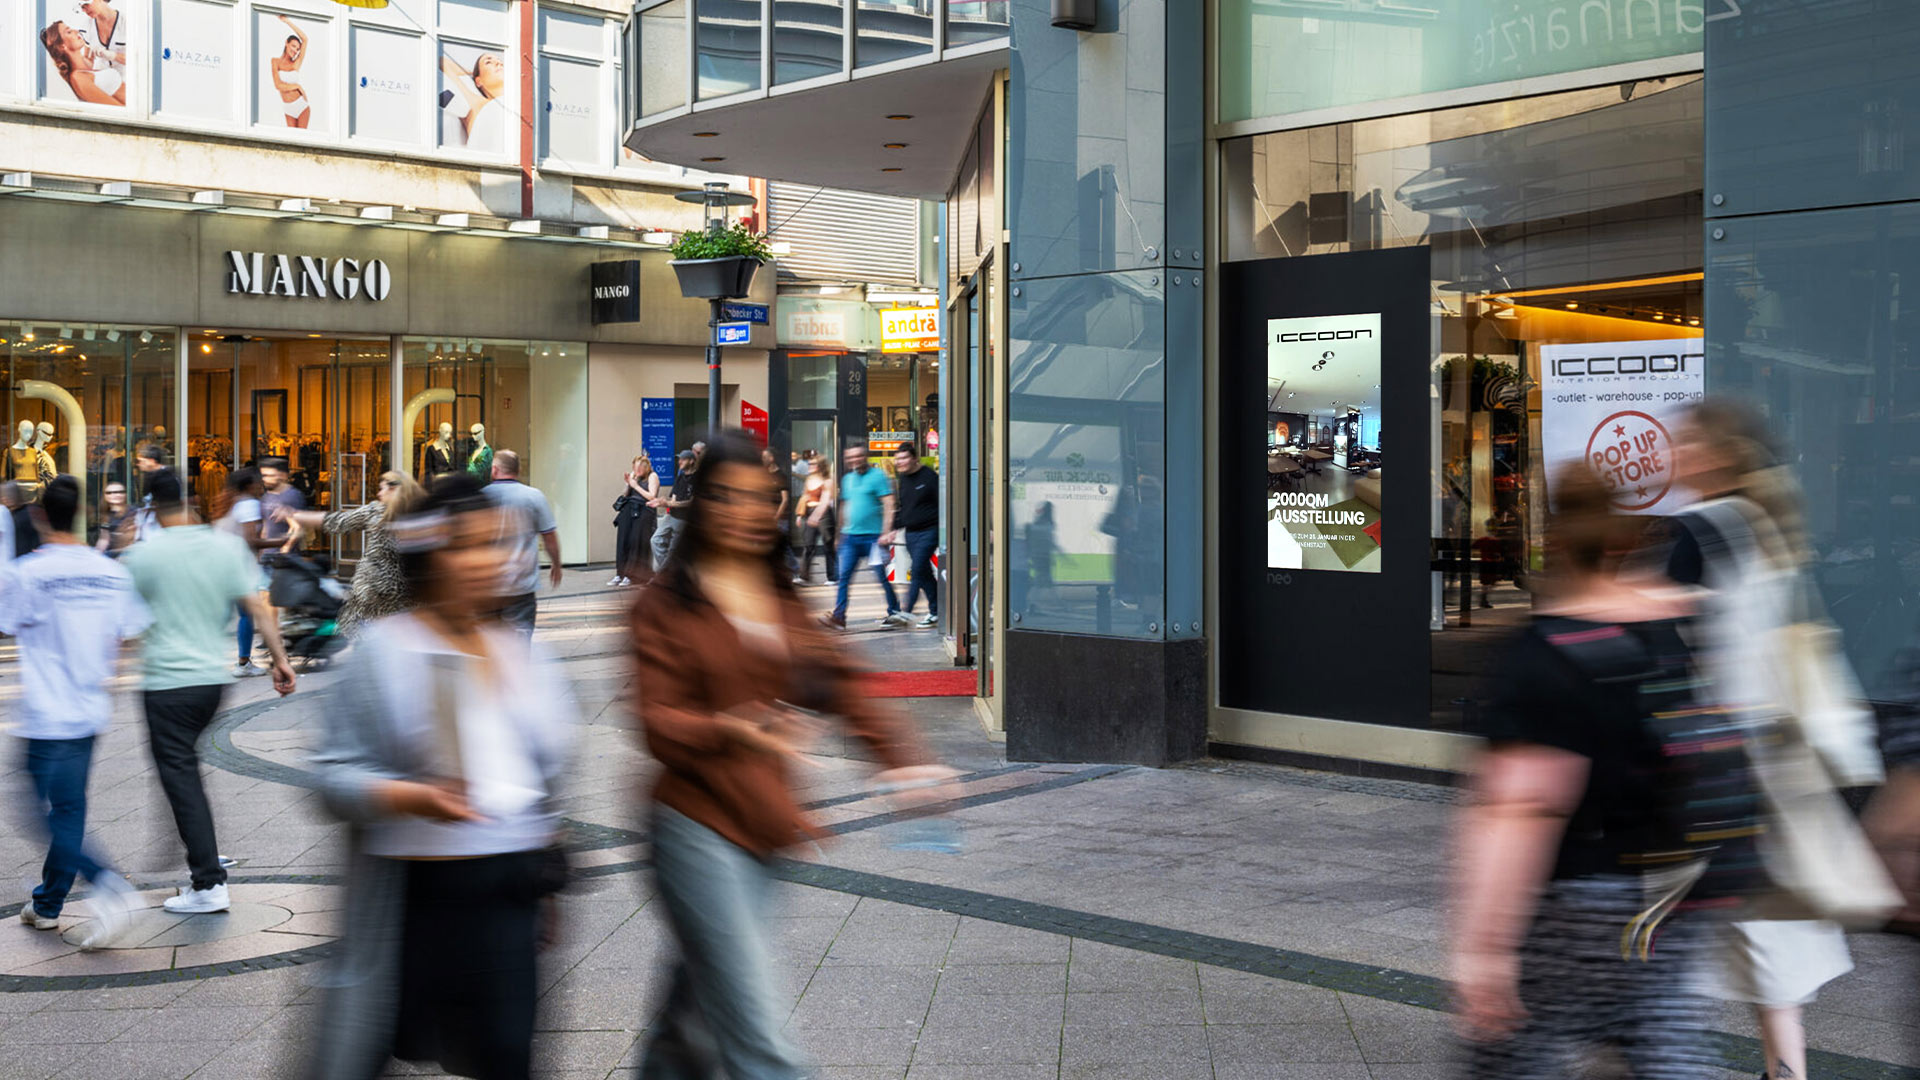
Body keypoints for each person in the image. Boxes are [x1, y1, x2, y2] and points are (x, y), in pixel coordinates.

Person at [631, 432, 951, 1079]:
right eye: (725, 497)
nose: (744, 512)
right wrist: (730, 729)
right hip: (694, 828)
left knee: (695, 1018)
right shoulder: (662, 605)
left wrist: (899, 756)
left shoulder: (776, 597)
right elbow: (657, 724)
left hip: (762, 829)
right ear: (700, 502)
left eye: (758, 499)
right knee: (761, 1041)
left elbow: (836, 678)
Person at [1639, 399, 1882, 1080]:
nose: (1671, 453)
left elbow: (1649, 644)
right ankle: (1787, 1071)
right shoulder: (1769, 528)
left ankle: (1648, 1053)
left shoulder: (1696, 531)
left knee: (1650, 925)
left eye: (1684, 443)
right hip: (1768, 766)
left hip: (1706, 768)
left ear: (1717, 454)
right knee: (1769, 936)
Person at [307, 472, 577, 1080]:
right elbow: (329, 777)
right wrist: (409, 796)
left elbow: (549, 776)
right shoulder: (382, 652)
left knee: (508, 1056)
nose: (489, 561)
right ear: (431, 555)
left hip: (508, 898)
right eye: (467, 546)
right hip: (416, 900)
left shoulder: (522, 652)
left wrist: (549, 871)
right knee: (369, 1048)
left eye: (495, 543)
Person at [1452, 466, 1720, 1077]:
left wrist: (1486, 951)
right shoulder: (1674, 625)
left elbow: (1523, 807)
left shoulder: (1544, 652)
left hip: (1578, 903)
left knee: (1515, 1058)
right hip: (1673, 894)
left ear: (1554, 540)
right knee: (1663, 1046)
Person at [121, 467, 296, 915]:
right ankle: (192, 856)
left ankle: (208, 881)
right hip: (211, 683)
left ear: (152, 508)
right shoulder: (224, 547)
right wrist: (280, 660)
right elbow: (257, 606)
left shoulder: (145, 554)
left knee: (179, 776)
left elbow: (126, 627)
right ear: (189, 499)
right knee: (182, 774)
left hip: (166, 683)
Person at [0, 476, 148, 946]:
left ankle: (108, 882)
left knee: (38, 811)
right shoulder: (109, 571)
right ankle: (47, 903)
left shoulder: (25, 572)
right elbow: (130, 633)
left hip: (46, 712)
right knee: (68, 809)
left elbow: (6, 625)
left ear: (40, 516)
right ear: (81, 514)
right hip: (89, 708)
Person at [277, 470, 425, 635]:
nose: (378, 493)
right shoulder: (420, 517)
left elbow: (337, 521)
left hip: (373, 595)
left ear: (394, 489)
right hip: (405, 600)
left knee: (366, 643)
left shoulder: (377, 512)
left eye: (382, 488)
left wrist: (295, 514)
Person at [812, 442, 904, 630]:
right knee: (844, 577)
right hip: (850, 538)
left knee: (881, 577)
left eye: (858, 456)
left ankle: (895, 612)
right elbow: (844, 507)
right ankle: (839, 617)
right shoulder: (847, 479)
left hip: (873, 538)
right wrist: (839, 535)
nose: (854, 460)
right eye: (851, 457)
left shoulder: (878, 476)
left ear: (865, 456)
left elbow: (888, 504)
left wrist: (886, 532)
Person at [484, 450, 561, 635]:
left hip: (488, 586)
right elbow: (549, 535)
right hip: (521, 586)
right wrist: (556, 564)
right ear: (518, 470)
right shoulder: (534, 496)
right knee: (518, 647)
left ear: (494, 470)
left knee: (488, 646)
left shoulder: (481, 497)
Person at [211, 467, 272, 678]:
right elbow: (251, 540)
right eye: (257, 482)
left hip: (220, 564)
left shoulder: (228, 502)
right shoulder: (249, 504)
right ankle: (243, 662)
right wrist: (284, 540)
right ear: (249, 485)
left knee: (223, 614)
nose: (260, 485)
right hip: (238, 566)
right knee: (247, 614)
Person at [891, 445, 939, 628]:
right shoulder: (903, 479)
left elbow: (942, 503)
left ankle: (906, 611)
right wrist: (894, 528)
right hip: (911, 533)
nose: (899, 463)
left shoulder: (929, 477)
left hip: (930, 530)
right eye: (897, 459)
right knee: (924, 573)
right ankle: (937, 610)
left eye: (903, 458)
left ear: (914, 459)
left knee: (917, 568)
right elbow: (905, 507)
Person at [39, 21, 123, 105]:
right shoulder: (78, 78)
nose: (76, 31)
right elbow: (115, 109)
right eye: (69, 32)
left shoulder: (85, 69)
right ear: (62, 46)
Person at [611, 454, 659, 588]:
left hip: (643, 511)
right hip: (628, 510)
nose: (636, 470)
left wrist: (636, 486)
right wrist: (628, 484)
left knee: (635, 542)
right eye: (634, 467)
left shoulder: (652, 476)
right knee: (623, 541)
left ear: (645, 467)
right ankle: (620, 573)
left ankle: (631, 575)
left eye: (639, 468)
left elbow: (652, 496)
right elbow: (625, 495)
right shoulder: (634, 476)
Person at [440, 51, 505, 148]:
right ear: (478, 81)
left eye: (500, 62)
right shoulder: (478, 104)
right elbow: (443, 62)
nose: (498, 63)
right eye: (488, 62)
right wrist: (472, 73)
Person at [651, 450, 697, 573]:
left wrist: (668, 503)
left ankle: (664, 576)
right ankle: (669, 573)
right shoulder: (680, 476)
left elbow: (691, 502)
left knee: (673, 550)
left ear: (691, 461)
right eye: (679, 459)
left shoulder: (696, 479)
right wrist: (662, 500)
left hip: (684, 520)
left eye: (683, 459)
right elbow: (674, 498)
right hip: (671, 515)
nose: (679, 462)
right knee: (655, 540)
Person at [793, 461, 835, 585]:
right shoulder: (809, 479)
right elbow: (804, 497)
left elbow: (826, 501)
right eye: (810, 464)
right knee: (808, 544)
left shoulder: (827, 481)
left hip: (825, 513)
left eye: (813, 464)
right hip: (810, 512)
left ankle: (832, 577)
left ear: (820, 466)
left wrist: (817, 516)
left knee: (828, 545)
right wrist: (800, 515)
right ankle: (804, 576)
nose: (810, 466)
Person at [269, 14, 310, 129]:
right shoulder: (275, 62)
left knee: (302, 140)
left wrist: (288, 22)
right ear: (286, 43)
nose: (295, 50)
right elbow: (278, 85)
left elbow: (305, 39)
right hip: (288, 108)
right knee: (292, 140)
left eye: (297, 49)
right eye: (293, 46)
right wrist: (297, 86)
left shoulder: (296, 63)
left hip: (301, 107)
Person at [258, 457, 306, 552]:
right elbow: (265, 525)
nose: (265, 479)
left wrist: (285, 549)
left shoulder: (292, 496)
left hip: (284, 558)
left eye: (270, 475)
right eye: (263, 475)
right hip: (268, 555)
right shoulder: (266, 496)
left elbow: (297, 528)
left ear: (282, 476)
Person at [93, 480, 136, 556]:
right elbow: (104, 539)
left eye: (120, 492)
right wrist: (96, 554)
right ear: (105, 496)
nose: (116, 495)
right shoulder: (105, 514)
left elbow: (133, 542)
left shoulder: (133, 513)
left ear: (125, 494)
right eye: (110, 493)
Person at [133, 443, 165, 540]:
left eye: (140, 461)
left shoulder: (165, 479)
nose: (138, 464)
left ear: (151, 461)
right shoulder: (149, 476)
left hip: (158, 530)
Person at [2, 482, 39, 558]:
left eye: (10, 495)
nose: (5, 499)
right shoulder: (6, 514)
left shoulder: (28, 514)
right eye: (4, 495)